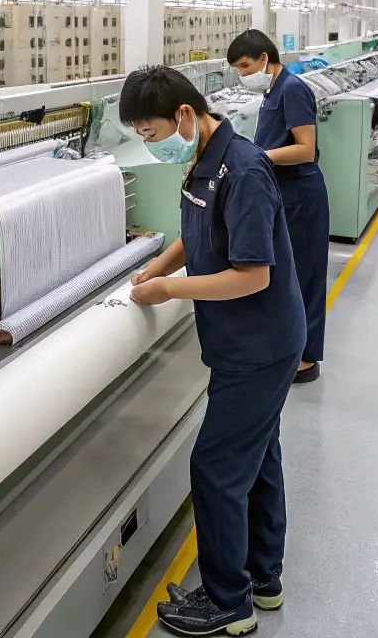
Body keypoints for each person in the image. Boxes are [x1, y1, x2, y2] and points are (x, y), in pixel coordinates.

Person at [121, 65, 305, 637]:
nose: (152, 147)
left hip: (260, 344)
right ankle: (263, 579)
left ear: (182, 115)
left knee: (216, 468)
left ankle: (230, 602)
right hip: (243, 342)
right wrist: (157, 266)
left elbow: (251, 275)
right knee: (259, 455)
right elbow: (197, 231)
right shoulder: (202, 160)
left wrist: (168, 289)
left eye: (151, 135)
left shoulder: (244, 169)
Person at [228, 30, 330, 385]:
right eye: (237, 69)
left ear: (264, 58)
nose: (243, 74)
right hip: (282, 191)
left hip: (300, 191)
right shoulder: (273, 90)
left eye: (245, 66)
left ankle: (305, 358)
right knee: (288, 275)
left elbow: (305, 149)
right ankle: (289, 346)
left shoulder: (292, 88)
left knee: (306, 275)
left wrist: (255, 159)